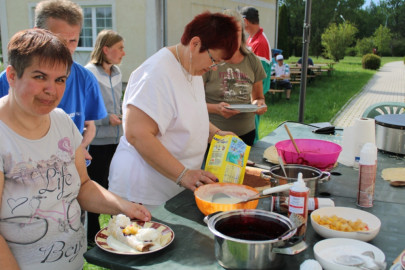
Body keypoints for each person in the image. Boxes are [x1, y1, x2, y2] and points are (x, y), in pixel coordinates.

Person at [0, 28, 151, 270]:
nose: (52, 90)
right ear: (12, 75)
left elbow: (83, 186)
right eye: (40, 77)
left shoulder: (62, 121)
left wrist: (123, 206)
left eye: (60, 79)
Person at [108, 11, 239, 210]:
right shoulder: (155, 73)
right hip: (143, 191)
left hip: (171, 187)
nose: (214, 68)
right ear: (195, 44)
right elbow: (137, 133)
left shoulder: (191, 67)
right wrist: (183, 174)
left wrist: (217, 134)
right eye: (214, 60)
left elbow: (189, 114)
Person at [0, 0, 107, 160]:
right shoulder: (9, 80)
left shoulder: (85, 78)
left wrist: (79, 149)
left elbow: (89, 125)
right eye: (59, 40)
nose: (68, 49)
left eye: (73, 41)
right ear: (37, 33)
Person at [203, 9, 267, 146]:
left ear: (242, 33)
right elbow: (193, 104)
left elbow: (258, 97)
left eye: (235, 33)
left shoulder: (252, 60)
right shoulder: (208, 61)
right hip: (213, 135)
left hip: (246, 134)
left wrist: (258, 105)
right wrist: (216, 109)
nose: (230, 39)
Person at [84, 29, 125, 245]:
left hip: (117, 142)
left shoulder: (117, 72)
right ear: (106, 49)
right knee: (96, 187)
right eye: (120, 48)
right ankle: (91, 235)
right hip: (97, 144)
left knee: (115, 187)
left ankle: (116, 230)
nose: (123, 53)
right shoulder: (88, 73)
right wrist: (105, 119)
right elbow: (85, 110)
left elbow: (116, 104)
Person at [240, 6, 272, 142]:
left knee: (252, 126)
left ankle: (254, 151)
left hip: (255, 95)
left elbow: (257, 75)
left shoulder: (260, 43)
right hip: (249, 92)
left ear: (245, 21)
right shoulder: (252, 40)